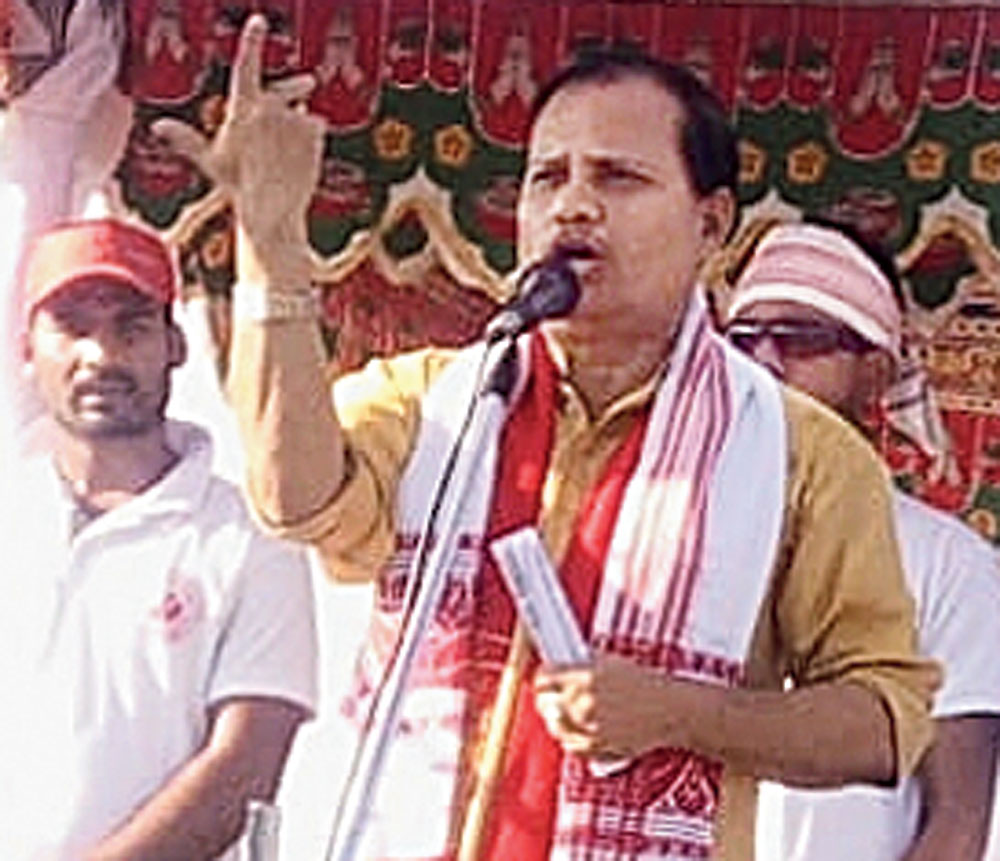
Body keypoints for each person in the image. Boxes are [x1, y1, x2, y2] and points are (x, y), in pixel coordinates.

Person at [157, 16, 938, 859]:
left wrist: (681, 713)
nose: (571, 203)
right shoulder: (436, 400)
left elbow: (886, 724)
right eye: (546, 177)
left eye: (619, 177)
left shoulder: (799, 454)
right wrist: (272, 240)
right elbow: (296, 500)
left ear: (711, 226)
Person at [0, 217, 319, 860]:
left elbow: (244, 769)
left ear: (175, 344)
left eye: (131, 327)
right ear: (27, 349)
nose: (101, 355)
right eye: (72, 328)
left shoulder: (250, 535)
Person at [724, 220, 1000, 861]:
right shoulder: (671, 538)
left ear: (874, 373)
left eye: (801, 340)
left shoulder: (947, 564)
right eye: (743, 340)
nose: (765, 363)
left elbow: (956, 827)